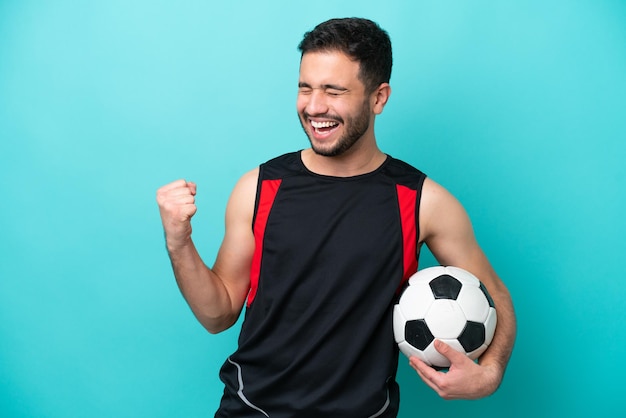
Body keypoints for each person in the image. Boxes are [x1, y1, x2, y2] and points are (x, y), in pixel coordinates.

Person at [157, 17, 516, 418]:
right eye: (305, 88)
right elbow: (218, 313)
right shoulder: (259, 188)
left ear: (379, 98)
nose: (314, 106)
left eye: (334, 91)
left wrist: (490, 374)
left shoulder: (421, 201)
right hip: (251, 411)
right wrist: (179, 243)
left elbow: (495, 295)